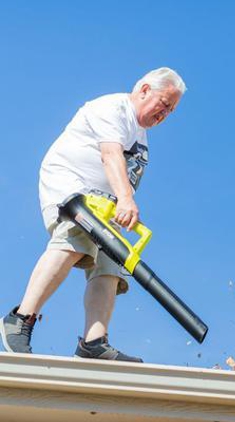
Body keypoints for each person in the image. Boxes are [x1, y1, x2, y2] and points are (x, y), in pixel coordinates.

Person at [0, 67, 185, 362]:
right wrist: (125, 198)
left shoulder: (142, 136)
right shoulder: (113, 108)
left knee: (112, 261)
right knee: (77, 238)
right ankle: (21, 318)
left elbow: (126, 174)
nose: (164, 113)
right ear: (145, 89)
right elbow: (110, 155)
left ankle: (93, 343)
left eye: (171, 111)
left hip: (105, 204)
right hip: (71, 189)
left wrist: (122, 203)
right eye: (164, 104)